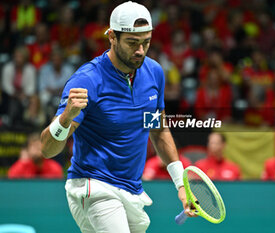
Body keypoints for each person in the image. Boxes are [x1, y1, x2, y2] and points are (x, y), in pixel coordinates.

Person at [40, 2, 195, 233]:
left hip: (132, 190)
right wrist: (65, 118)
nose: (140, 50)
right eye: (132, 42)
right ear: (112, 37)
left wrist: (181, 185)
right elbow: (47, 149)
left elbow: (158, 130)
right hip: (93, 186)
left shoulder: (154, 73)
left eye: (146, 42)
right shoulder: (88, 80)